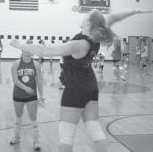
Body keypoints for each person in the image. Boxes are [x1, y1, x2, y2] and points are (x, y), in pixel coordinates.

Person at [10, 9, 152, 152]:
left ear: (89, 23)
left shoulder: (79, 44)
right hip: (90, 87)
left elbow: (46, 51)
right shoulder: (95, 36)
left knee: (66, 135)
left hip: (75, 89)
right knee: (94, 129)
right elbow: (114, 17)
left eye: (86, 15)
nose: (83, 17)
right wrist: (136, 11)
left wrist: (20, 45)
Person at [10, 39, 44, 151]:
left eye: (30, 49)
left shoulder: (36, 65)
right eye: (25, 49)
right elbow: (15, 80)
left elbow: (39, 80)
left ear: (32, 52)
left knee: (33, 119)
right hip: (18, 95)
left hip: (32, 96)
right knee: (18, 118)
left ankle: (36, 141)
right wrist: (25, 88)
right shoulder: (15, 64)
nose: (27, 51)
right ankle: (16, 137)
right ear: (22, 50)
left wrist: (41, 95)